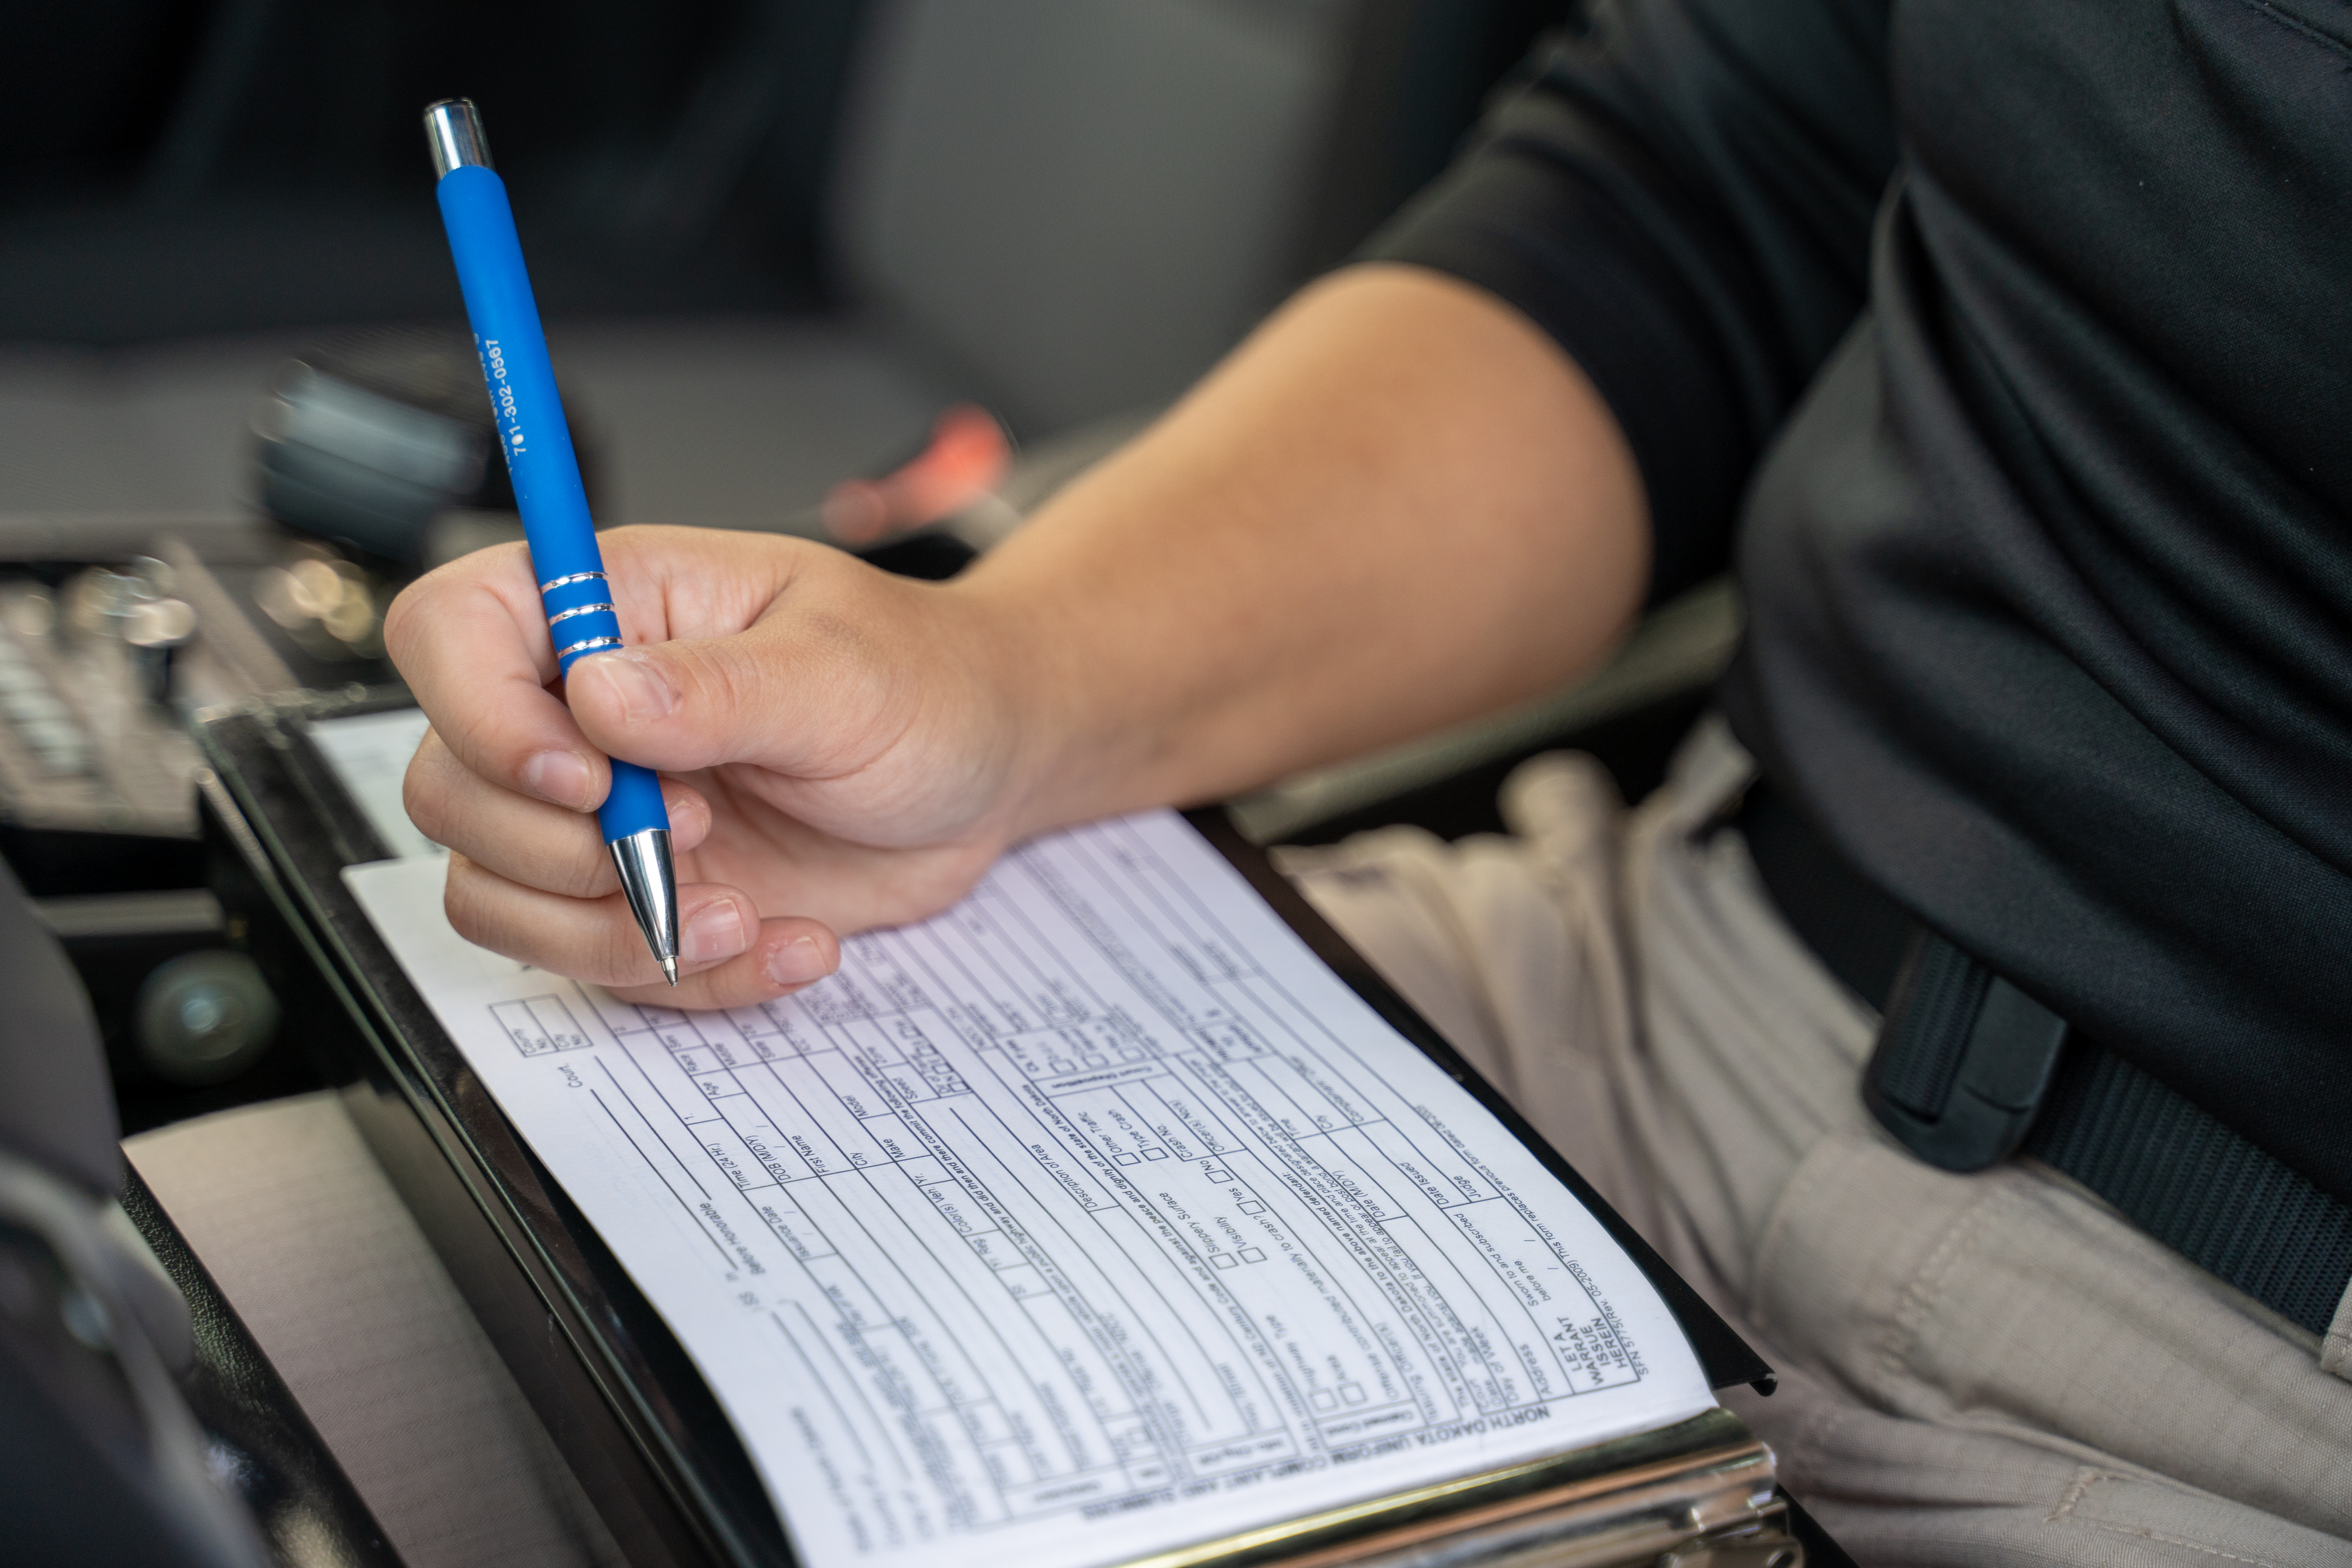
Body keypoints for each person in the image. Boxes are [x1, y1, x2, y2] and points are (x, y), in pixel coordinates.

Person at [386, 0, 2352, 1558]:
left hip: (2259, 1392)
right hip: (1655, 986)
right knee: (304, 1349)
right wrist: (1007, 685)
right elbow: (1710, 195)